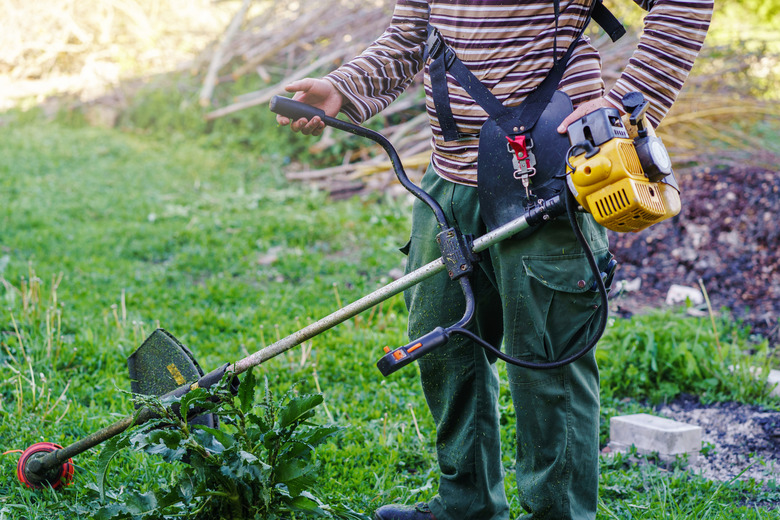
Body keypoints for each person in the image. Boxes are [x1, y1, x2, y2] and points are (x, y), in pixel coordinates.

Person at [276, 1, 712, 519]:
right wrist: (344, 87)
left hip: (549, 171)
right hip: (449, 179)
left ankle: (559, 512)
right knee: (444, 344)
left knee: (549, 359)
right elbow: (410, 37)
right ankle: (467, 505)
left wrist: (623, 108)